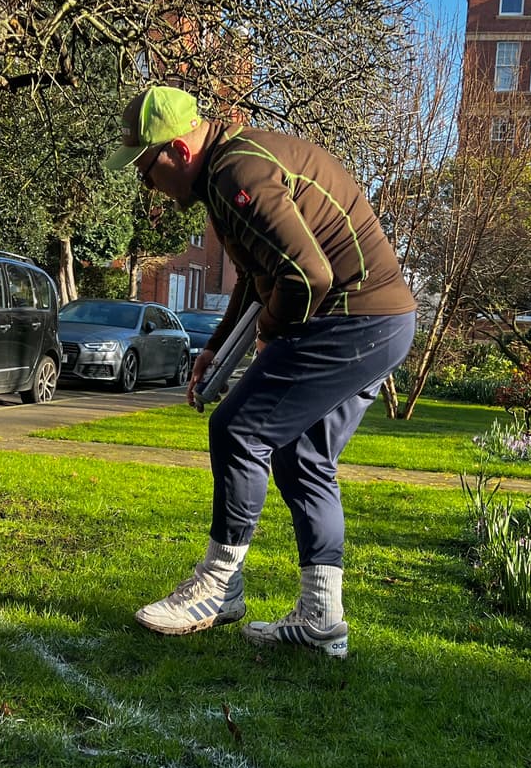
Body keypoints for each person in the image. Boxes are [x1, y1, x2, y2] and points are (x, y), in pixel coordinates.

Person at [106, 86, 416, 658]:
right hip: (382, 323)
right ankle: (321, 619)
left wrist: (271, 331)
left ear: (178, 148)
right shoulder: (229, 170)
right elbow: (255, 275)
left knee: (238, 429)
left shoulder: (236, 173)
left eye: (148, 168)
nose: (147, 183)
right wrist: (216, 349)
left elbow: (307, 277)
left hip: (351, 318)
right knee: (304, 458)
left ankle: (218, 586)